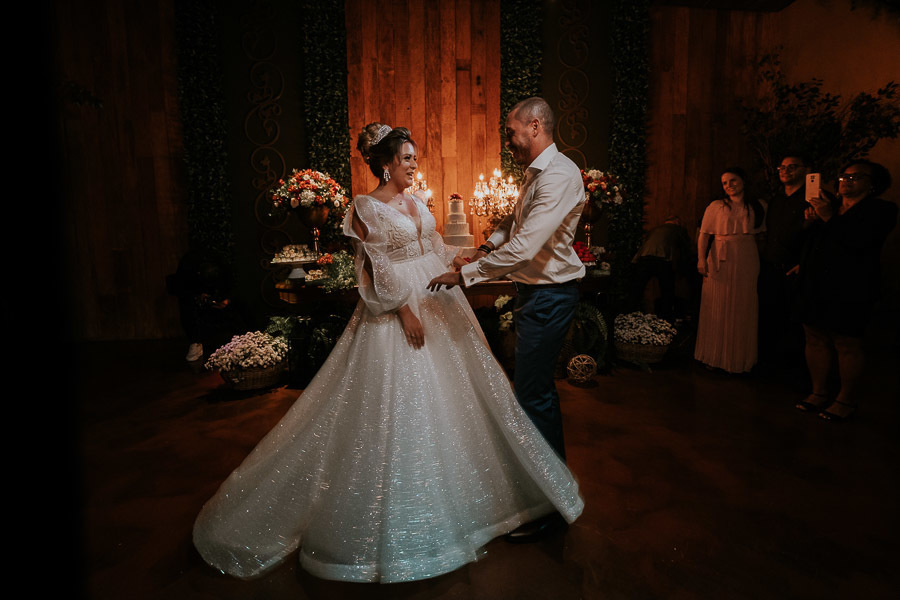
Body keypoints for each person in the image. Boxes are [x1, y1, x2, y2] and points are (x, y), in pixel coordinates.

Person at [192, 124, 583, 583]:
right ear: (385, 163)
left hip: (439, 300)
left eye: (416, 158)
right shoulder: (365, 207)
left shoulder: (418, 203)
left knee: (462, 401)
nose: (415, 165)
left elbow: (434, 247)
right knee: (400, 408)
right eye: (408, 159)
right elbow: (373, 267)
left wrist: (458, 261)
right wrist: (403, 310)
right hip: (400, 307)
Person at [428, 97, 586, 540]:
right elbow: (512, 227)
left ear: (535, 126)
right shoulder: (536, 173)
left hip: (550, 296)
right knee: (530, 392)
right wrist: (482, 248)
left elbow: (525, 247)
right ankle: (540, 491)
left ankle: (551, 506)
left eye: (512, 131)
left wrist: (466, 275)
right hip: (535, 295)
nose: (509, 140)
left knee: (535, 397)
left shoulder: (560, 175)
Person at [795, 160, 897, 420]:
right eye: (843, 176)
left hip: (852, 285)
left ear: (872, 184)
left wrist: (828, 217)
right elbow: (813, 242)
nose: (846, 181)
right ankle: (818, 392)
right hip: (817, 281)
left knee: (846, 342)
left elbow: (859, 242)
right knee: (814, 336)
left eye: (855, 177)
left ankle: (846, 399)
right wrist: (811, 222)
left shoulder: (880, 210)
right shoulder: (831, 206)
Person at [694, 168, 766, 373]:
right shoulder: (716, 206)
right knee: (717, 302)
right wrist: (701, 259)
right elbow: (704, 235)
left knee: (743, 304)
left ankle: (740, 359)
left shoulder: (757, 206)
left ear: (743, 180)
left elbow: (763, 236)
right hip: (719, 255)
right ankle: (714, 356)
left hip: (746, 256)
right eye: (724, 183)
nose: (729, 186)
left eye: (732, 180)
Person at [758, 155, 810, 372]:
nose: (785, 171)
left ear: (806, 170)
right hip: (772, 266)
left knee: (796, 321)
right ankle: (771, 365)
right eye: (782, 167)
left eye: (792, 167)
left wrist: (804, 263)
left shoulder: (813, 199)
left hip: (797, 268)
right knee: (771, 316)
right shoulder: (777, 200)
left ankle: (795, 369)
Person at [629, 215, 693, 322]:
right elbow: (686, 247)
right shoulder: (678, 229)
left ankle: (629, 316)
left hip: (643, 258)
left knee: (637, 290)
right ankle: (666, 319)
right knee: (667, 290)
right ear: (677, 221)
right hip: (662, 259)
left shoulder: (654, 229)